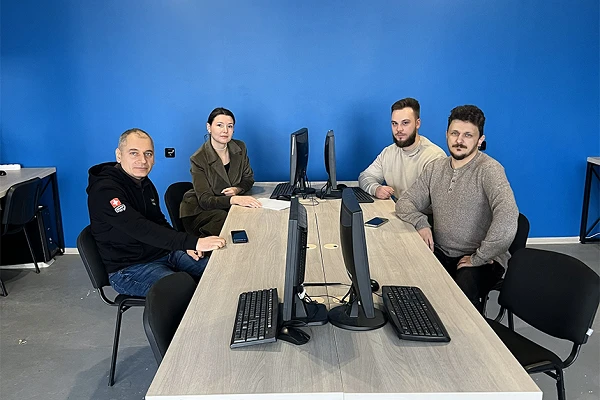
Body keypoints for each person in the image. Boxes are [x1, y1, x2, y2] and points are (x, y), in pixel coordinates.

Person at [395, 105, 518, 311]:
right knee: (409, 277)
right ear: (447, 134)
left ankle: (467, 331)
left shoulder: (490, 170)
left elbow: (508, 217)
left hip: (481, 259)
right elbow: (405, 203)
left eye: (468, 135)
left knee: (459, 298)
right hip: (442, 251)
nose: (459, 140)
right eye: (455, 133)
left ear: (480, 140)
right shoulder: (435, 168)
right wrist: (420, 223)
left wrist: (481, 256)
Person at [86, 128, 226, 297]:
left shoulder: (144, 182)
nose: (142, 160)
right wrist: (192, 242)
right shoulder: (105, 190)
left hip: (163, 252)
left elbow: (158, 221)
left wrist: (185, 246)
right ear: (119, 155)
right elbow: (139, 228)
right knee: (187, 291)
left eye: (148, 154)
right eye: (134, 153)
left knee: (220, 270)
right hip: (129, 268)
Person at [180, 107, 261, 237]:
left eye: (230, 126)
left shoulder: (240, 147)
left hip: (227, 207)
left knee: (253, 216)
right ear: (209, 127)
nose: (225, 130)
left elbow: (248, 178)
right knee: (227, 219)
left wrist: (237, 189)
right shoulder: (198, 158)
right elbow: (205, 201)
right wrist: (233, 199)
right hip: (200, 212)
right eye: (219, 125)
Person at [358, 98, 446, 199]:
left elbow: (438, 201)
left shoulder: (435, 157)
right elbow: (365, 176)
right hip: (397, 208)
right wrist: (376, 189)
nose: (399, 129)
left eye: (405, 123)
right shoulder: (389, 152)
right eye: (394, 123)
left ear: (417, 123)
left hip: (418, 210)